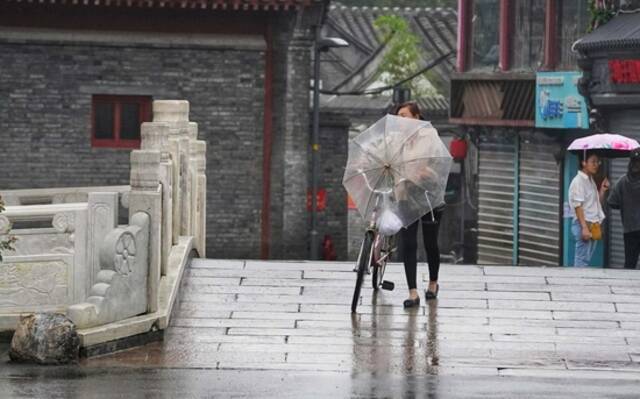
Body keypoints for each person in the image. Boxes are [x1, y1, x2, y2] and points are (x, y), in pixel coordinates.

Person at [394, 101, 445, 308]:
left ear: (416, 117)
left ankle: (433, 283)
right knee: (408, 243)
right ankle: (412, 292)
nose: (401, 119)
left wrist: (427, 172)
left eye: (404, 115)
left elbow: (440, 163)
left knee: (430, 243)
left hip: (428, 194)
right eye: (398, 116)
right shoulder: (396, 140)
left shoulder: (430, 135)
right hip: (406, 194)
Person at [568, 150, 609, 267]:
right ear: (584, 163)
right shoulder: (579, 181)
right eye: (593, 162)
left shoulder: (590, 180)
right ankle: (578, 283)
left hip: (593, 224)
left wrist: (602, 191)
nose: (596, 165)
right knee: (581, 261)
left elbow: (595, 204)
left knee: (586, 259)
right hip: (584, 224)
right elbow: (578, 206)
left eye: (598, 162)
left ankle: (581, 282)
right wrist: (584, 228)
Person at [607, 149, 640, 269]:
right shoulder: (621, 181)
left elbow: (612, 203)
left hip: (629, 230)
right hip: (630, 230)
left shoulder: (622, 181)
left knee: (630, 263)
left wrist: (625, 205)